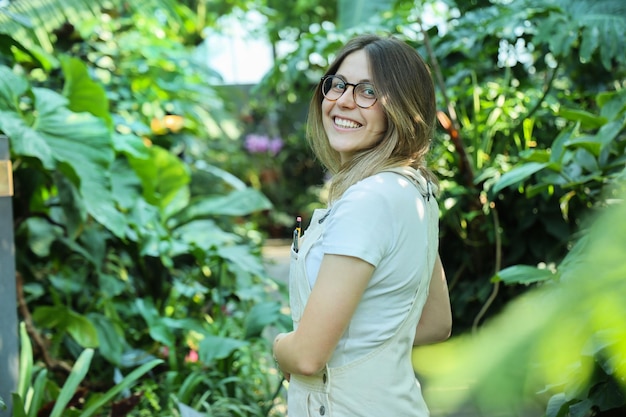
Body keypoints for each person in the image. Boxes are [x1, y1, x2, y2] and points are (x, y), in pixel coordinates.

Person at [272, 33, 452, 416]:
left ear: (403, 108)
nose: (343, 100)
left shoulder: (368, 200)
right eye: (337, 84)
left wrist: (279, 347)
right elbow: (437, 323)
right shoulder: (415, 189)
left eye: (368, 91)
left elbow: (306, 356)